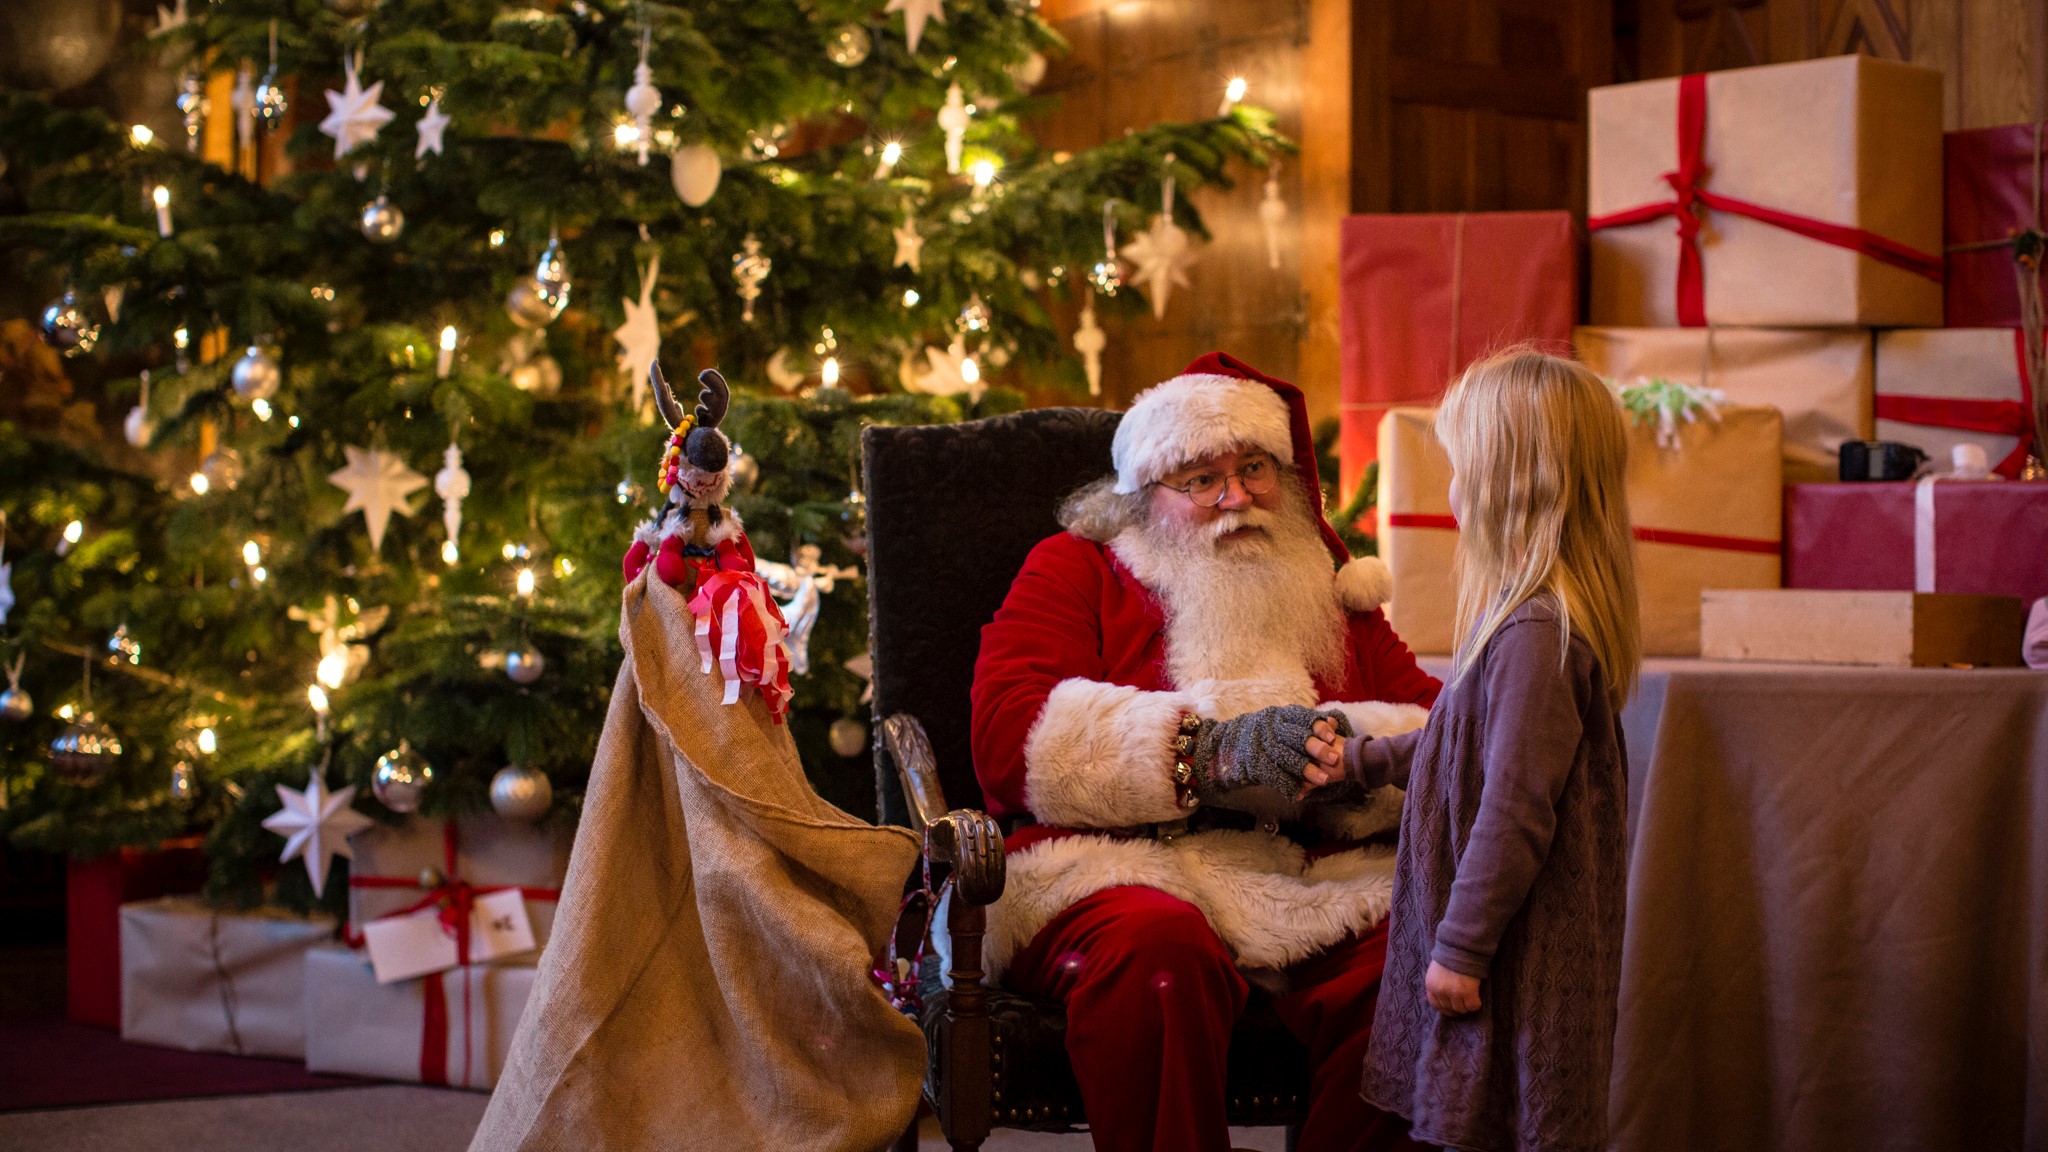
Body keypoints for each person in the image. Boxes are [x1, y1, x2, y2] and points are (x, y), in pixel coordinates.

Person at [969, 352, 1441, 1152]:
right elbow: (1008, 733)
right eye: (1200, 479)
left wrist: (1342, 766)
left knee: (1416, 961)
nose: (1238, 497)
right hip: (1118, 865)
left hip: (1302, 867)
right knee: (1160, 955)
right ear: (1144, 501)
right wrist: (1210, 752)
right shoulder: (1077, 569)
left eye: (1254, 467)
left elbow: (1433, 725)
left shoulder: (1323, 583)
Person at [1303, 348, 1639, 1152]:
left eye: (1460, 469)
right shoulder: (1523, 621)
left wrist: (1461, 948)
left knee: (1508, 1122)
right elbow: (1462, 740)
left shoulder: (1535, 634)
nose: (1450, 490)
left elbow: (1516, 805)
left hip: (1517, 944)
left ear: (1506, 485)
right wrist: (1360, 762)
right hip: (1500, 937)